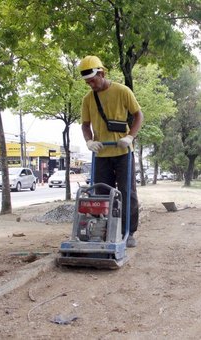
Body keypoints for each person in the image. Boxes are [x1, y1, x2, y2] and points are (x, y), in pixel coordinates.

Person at [79, 55, 144, 248]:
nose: (90, 84)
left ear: (102, 73)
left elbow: (138, 115)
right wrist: (89, 141)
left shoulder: (122, 91)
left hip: (123, 152)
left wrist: (130, 137)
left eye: (93, 79)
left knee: (127, 192)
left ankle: (128, 232)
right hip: (101, 154)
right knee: (100, 194)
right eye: (87, 82)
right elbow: (85, 125)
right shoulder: (88, 99)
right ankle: (102, 230)